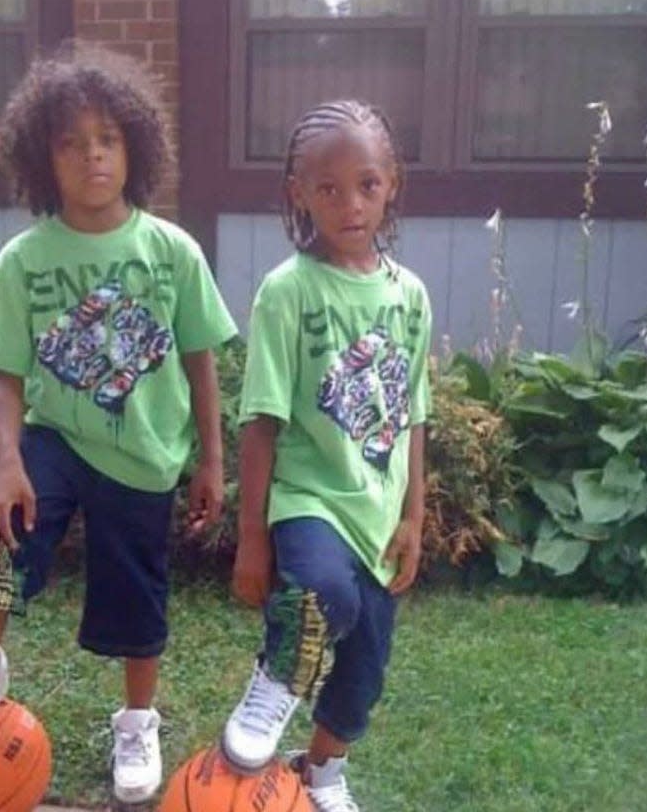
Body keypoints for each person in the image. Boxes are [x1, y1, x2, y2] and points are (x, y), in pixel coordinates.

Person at [0, 41, 237, 806]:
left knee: (137, 592)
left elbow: (200, 362)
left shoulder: (173, 252)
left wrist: (212, 461)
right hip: (54, 442)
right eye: (71, 143)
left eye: (108, 140)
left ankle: (136, 720)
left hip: (146, 453)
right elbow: (4, 375)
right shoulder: (23, 262)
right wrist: (6, 463)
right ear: (41, 158)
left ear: (134, 146)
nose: (93, 157)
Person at [220, 100, 432, 812]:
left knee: (366, 666)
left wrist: (414, 519)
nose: (350, 203)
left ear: (392, 183)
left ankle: (321, 771)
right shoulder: (288, 292)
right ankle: (276, 681)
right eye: (329, 188)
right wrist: (252, 537)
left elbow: (415, 417)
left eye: (367, 184)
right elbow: (261, 423)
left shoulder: (411, 297)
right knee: (323, 594)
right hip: (309, 500)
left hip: (377, 514)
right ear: (298, 194)